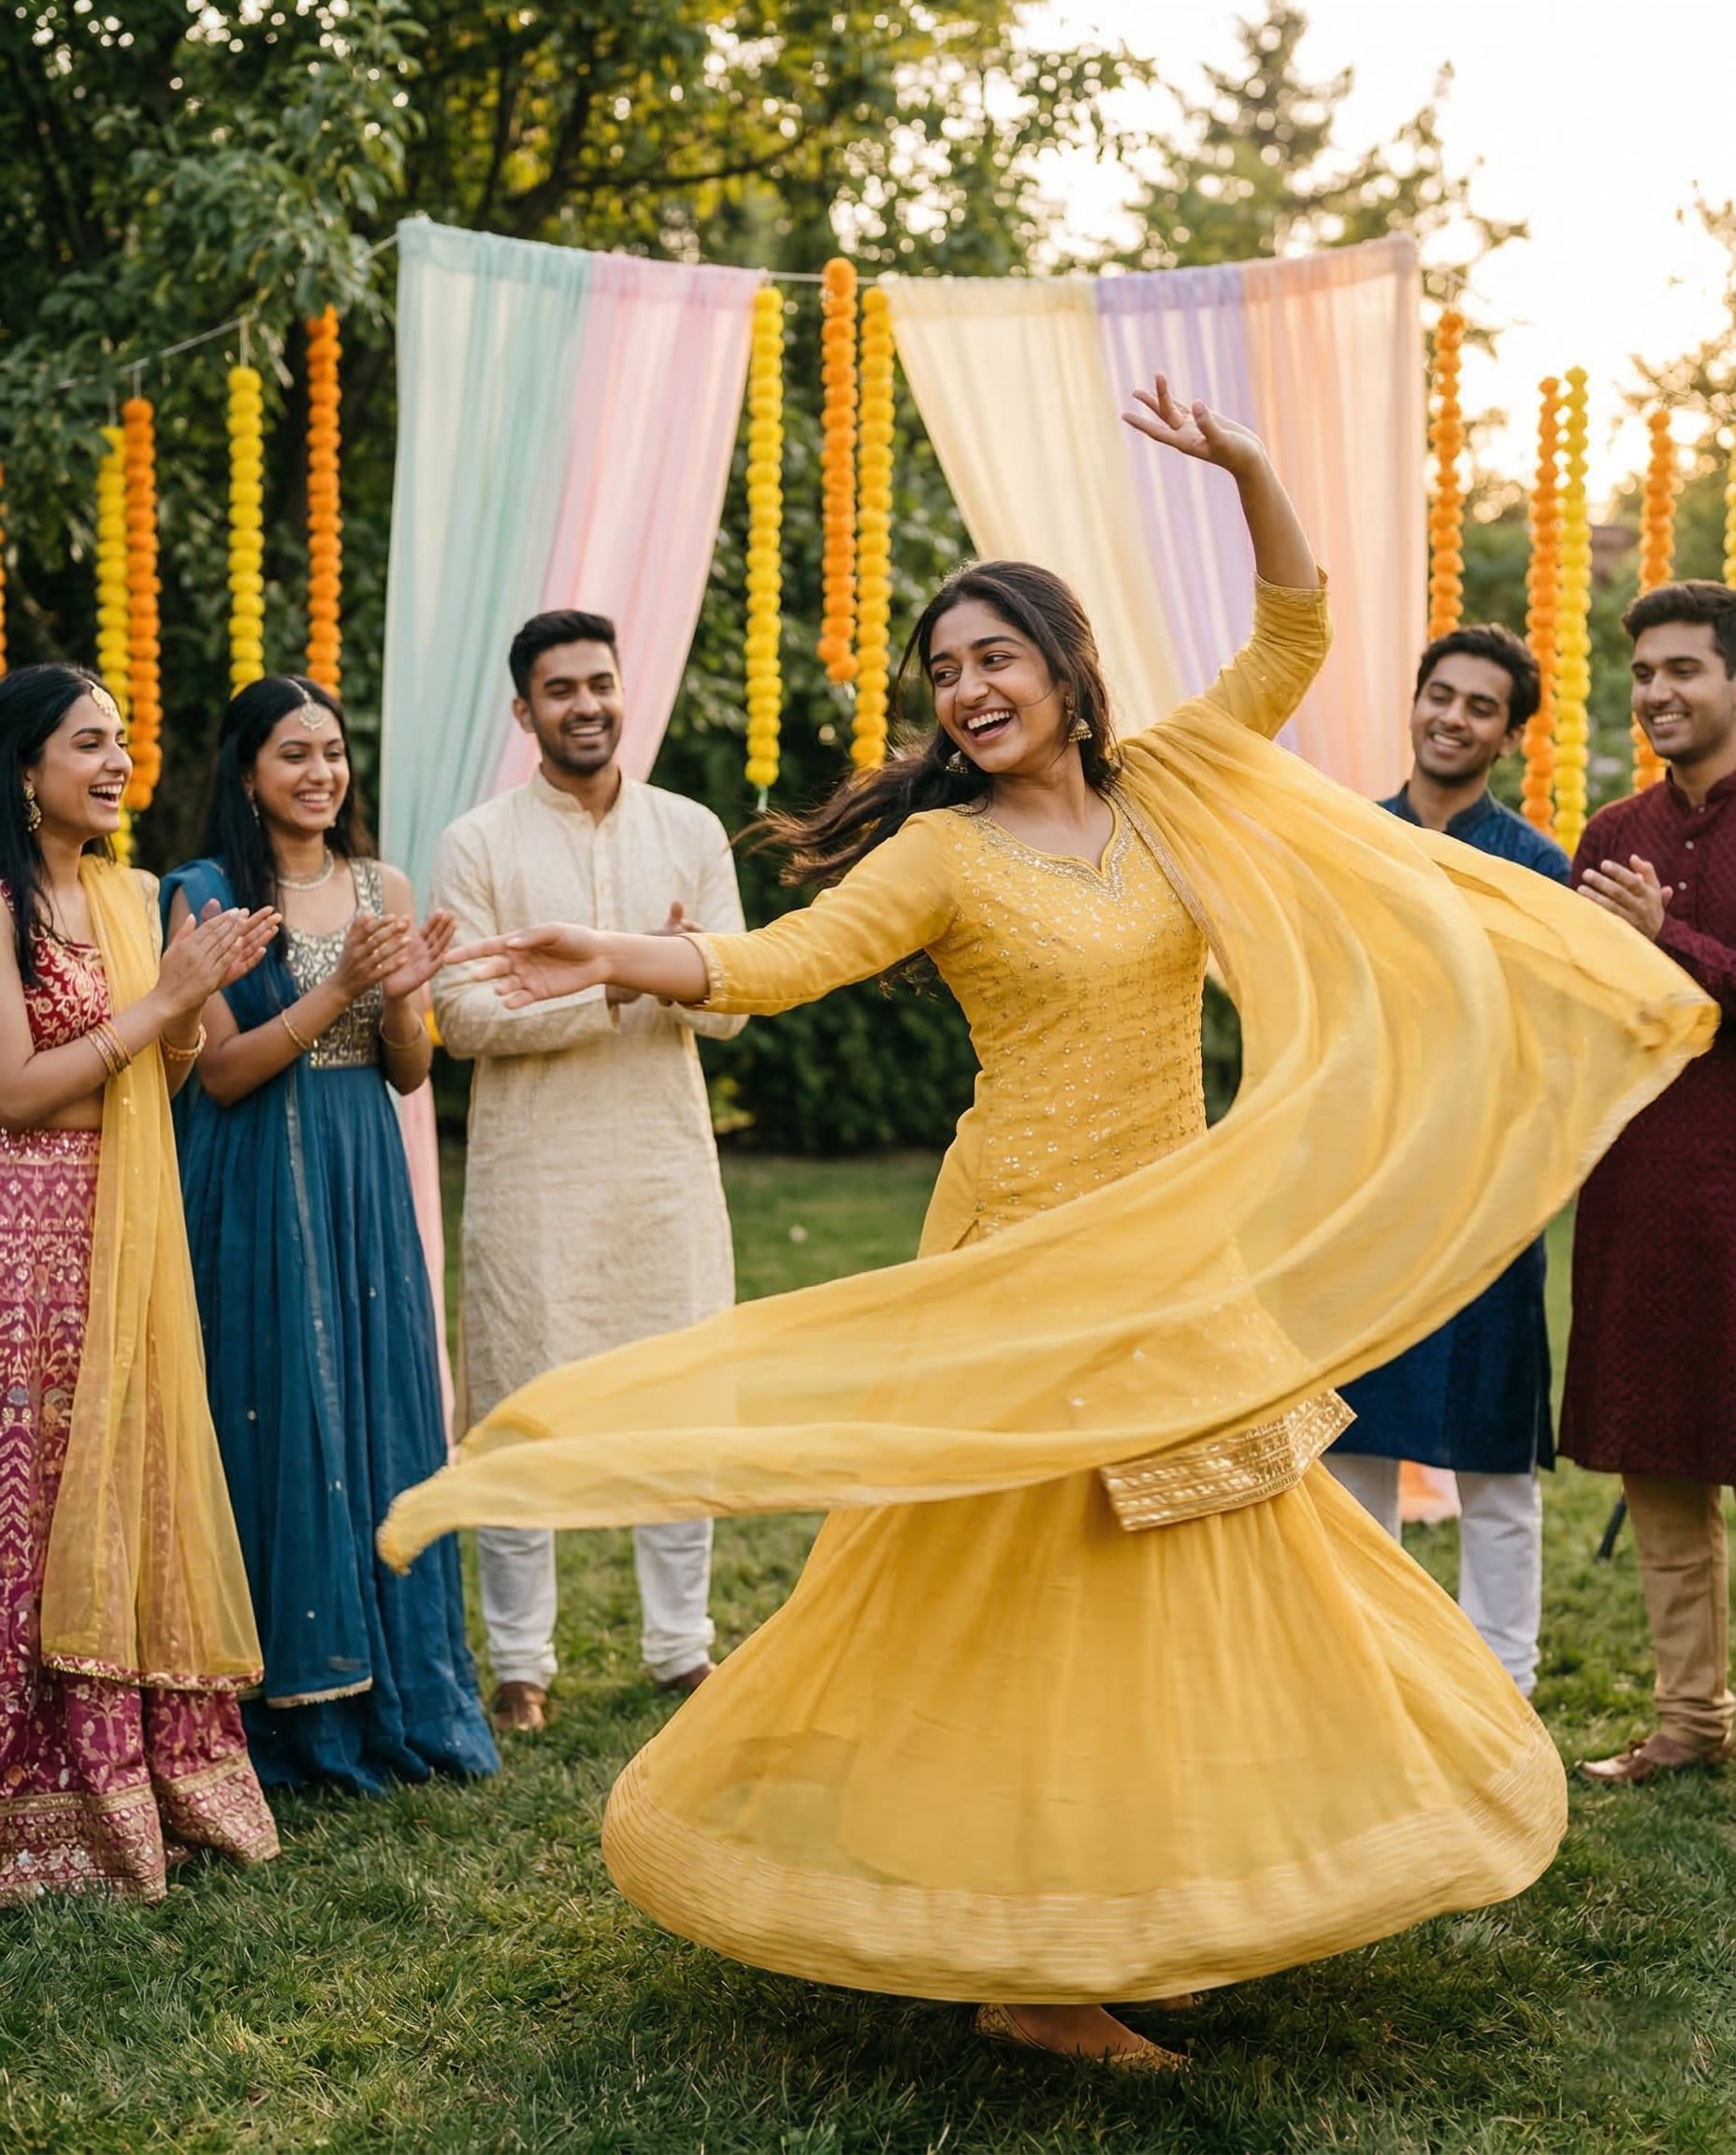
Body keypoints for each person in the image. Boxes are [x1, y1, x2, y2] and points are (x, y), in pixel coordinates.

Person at [383, 381, 1711, 2068]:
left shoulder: (1169, 785)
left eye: (992, 655)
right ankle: (1026, 1964)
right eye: (943, 670)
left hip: (1173, 1250)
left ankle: (1134, 1898)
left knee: (1193, 1570)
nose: (966, 688)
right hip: (1023, 1247)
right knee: (1035, 1588)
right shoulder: (939, 851)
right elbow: (784, 965)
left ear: (1067, 671)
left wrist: (1248, 465)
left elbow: (1292, 636)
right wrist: (613, 950)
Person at [164, 675, 498, 1796]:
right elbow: (218, 1072)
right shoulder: (205, 893)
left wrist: (402, 996)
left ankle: (392, 1689)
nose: (321, 774)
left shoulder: (380, 883)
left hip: (363, 1169)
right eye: (293, 755)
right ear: (247, 772)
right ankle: (288, 1706)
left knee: (378, 1399)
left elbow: (407, 1070)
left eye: (334, 752)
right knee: (277, 1407)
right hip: (255, 1179)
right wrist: (335, 988)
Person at [431, 610, 747, 1735]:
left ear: (625, 690)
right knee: (523, 1402)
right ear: (524, 713)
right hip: (532, 1176)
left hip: (660, 1167)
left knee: (681, 1398)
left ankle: (680, 1646)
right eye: (558, 689)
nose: (584, 704)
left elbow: (737, 999)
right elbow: (462, 1017)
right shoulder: (479, 843)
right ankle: (519, 1661)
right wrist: (630, 981)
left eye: (599, 683)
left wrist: (654, 977)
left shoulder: (689, 829)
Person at [0, 664, 281, 1899]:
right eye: (87, 744)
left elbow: (153, 1087)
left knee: (115, 1485)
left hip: (123, 1227)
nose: (117, 764)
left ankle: (139, 1783)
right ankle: (32, 1798)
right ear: (24, 771)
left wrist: (189, 1004)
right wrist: (163, 998)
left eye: (122, 742)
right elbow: (14, 1090)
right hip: (27, 1236)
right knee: (34, 1495)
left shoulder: (125, 896)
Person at [1326, 625, 1569, 1697]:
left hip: (1482, 1195)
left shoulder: (1535, 867)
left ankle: (1498, 1687)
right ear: (1412, 702)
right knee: (1351, 1450)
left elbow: (1551, 1038)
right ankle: (1361, 1677)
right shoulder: (1345, 841)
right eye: (1439, 695)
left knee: (1492, 1458)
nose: (1450, 716)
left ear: (1507, 736)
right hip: (1362, 1186)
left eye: (1478, 706)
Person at [1561, 580, 1736, 1786]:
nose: (1656, 693)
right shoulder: (1611, 835)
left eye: (1682, 670)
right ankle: (1689, 1723)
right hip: (1643, 1192)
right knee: (1661, 1471)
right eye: (1642, 674)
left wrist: (1666, 937)